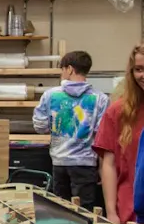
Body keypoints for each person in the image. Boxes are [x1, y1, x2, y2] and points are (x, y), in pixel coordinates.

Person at [33, 49, 108, 211]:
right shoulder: (100, 99)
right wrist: (102, 168)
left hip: (59, 162)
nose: (62, 73)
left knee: (60, 211)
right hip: (86, 164)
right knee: (85, 213)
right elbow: (102, 137)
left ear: (70, 69)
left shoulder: (50, 95)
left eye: (62, 69)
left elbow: (40, 126)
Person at [97, 42, 144, 224]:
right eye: (138, 69)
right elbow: (108, 164)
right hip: (129, 213)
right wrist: (111, 212)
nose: (142, 75)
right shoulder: (118, 112)